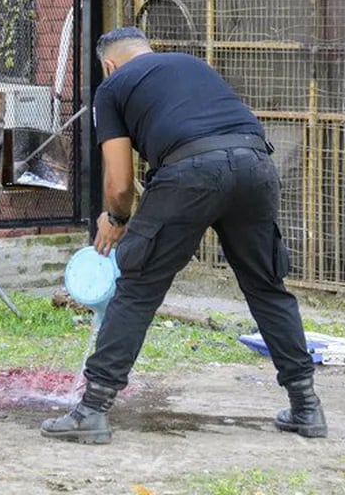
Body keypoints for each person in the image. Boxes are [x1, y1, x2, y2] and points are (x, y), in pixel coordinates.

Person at [41, 27, 326, 444]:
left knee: (138, 286)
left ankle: (92, 409)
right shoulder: (192, 65)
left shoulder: (113, 86)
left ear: (109, 65)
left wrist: (116, 220)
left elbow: (119, 182)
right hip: (256, 164)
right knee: (267, 285)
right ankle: (307, 407)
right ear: (148, 51)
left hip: (191, 173)